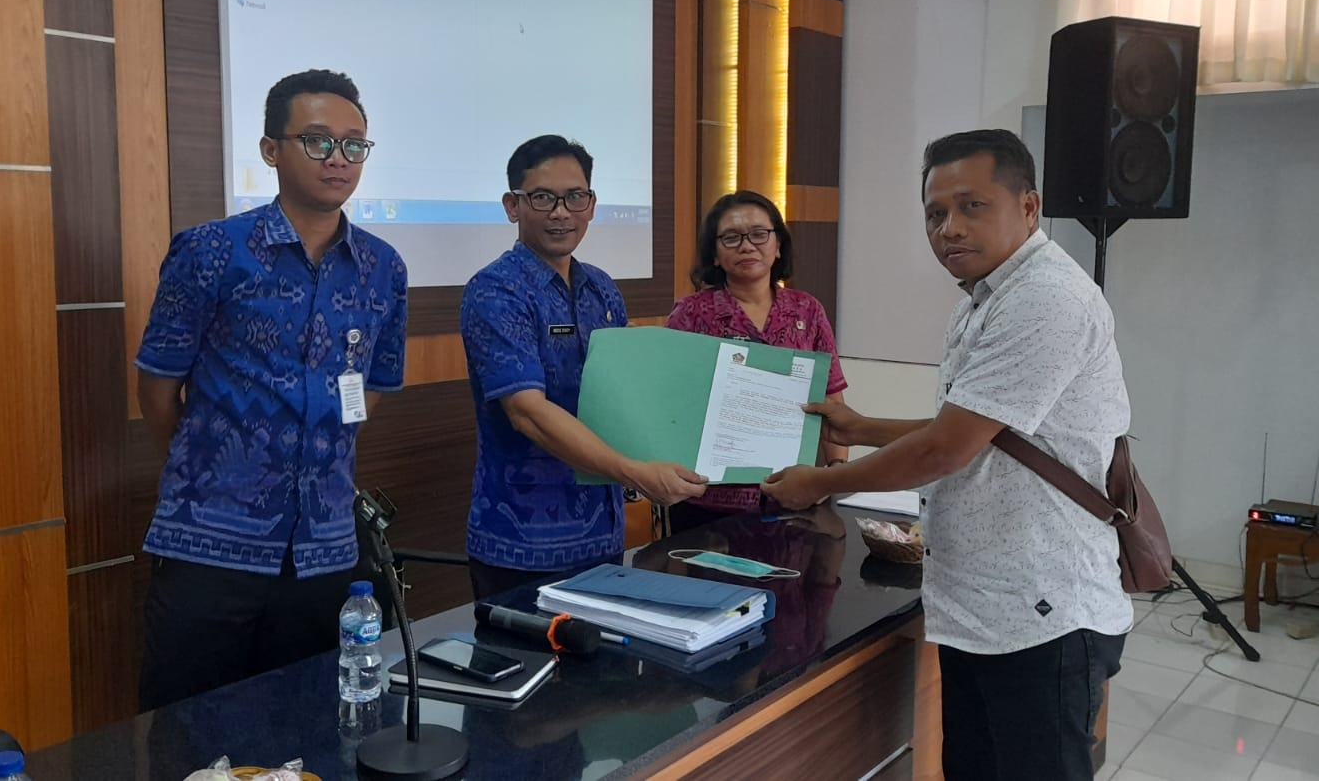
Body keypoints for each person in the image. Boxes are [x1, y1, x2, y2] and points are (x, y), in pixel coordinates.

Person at [762, 130, 1131, 781]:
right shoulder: (986, 296)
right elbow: (979, 426)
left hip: (1041, 612)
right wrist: (862, 426)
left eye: (971, 206)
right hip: (985, 606)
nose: (949, 228)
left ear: (1028, 206)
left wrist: (818, 481)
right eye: (935, 213)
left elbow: (945, 449)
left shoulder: (1046, 299)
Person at [133, 69, 408, 711]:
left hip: (326, 550)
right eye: (317, 141)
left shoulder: (383, 267)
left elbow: (374, 387)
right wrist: (207, 465)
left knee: (310, 724)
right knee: (189, 729)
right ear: (270, 149)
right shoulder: (211, 251)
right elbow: (157, 387)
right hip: (209, 543)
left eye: (353, 145)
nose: (337, 159)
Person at [460, 135, 707, 600]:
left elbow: (624, 393)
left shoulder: (601, 288)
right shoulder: (496, 291)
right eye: (543, 198)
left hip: (602, 532)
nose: (561, 213)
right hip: (522, 540)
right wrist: (635, 472)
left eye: (575, 197)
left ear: (591, 205)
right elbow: (528, 412)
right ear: (513, 206)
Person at [664, 190, 848, 532]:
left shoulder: (807, 310)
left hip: (792, 498)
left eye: (759, 234)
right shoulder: (691, 314)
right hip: (706, 500)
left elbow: (832, 400)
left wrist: (835, 472)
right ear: (714, 254)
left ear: (778, 246)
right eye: (731, 237)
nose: (747, 246)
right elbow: (669, 404)